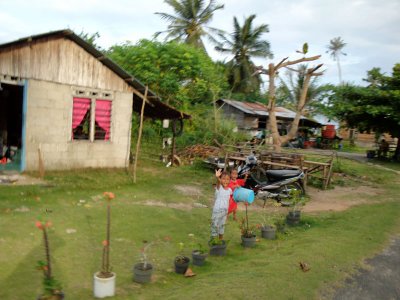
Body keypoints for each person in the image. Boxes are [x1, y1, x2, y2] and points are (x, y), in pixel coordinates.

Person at [211, 169, 232, 240]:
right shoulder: (219, 188)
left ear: (230, 180)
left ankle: (220, 240)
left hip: (224, 212)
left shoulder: (229, 190)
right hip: (217, 211)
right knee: (214, 225)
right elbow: (219, 183)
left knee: (222, 226)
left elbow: (230, 200)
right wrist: (217, 177)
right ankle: (213, 240)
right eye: (223, 179)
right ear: (220, 179)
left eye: (227, 179)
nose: (225, 181)